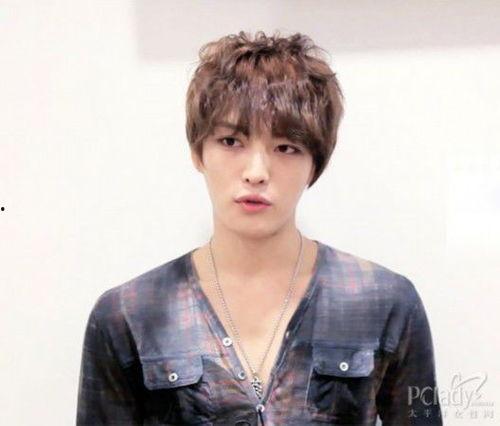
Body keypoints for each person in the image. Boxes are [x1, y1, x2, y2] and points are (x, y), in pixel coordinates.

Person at [76, 30, 442, 425]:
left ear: (314, 164)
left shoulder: (384, 302)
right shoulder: (130, 314)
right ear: (198, 152)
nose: (256, 172)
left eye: (286, 147)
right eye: (231, 141)